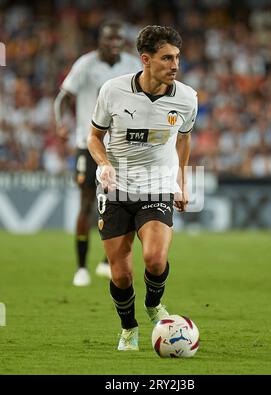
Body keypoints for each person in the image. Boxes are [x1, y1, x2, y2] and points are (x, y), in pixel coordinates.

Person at [88, 25, 198, 350]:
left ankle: (153, 304)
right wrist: (103, 164)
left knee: (154, 258)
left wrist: (181, 181)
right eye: (167, 58)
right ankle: (128, 328)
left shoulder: (187, 98)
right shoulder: (113, 90)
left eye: (177, 57)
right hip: (116, 188)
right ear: (146, 60)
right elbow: (94, 137)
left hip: (157, 185)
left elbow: (185, 139)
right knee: (121, 275)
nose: (175, 65)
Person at [54, 20, 141, 286]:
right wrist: (61, 124)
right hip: (88, 142)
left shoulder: (132, 65)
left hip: (121, 145)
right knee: (86, 202)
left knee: (126, 203)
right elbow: (62, 98)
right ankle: (81, 267)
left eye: (118, 40)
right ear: (100, 40)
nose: (114, 44)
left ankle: (108, 261)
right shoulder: (85, 64)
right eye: (109, 40)